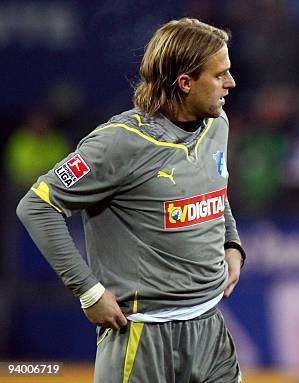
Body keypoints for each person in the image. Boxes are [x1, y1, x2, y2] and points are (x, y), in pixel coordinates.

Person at [16, 18, 244, 383]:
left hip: (210, 331)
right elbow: (36, 205)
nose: (231, 84)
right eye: (220, 76)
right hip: (141, 336)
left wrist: (231, 241)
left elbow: (215, 184)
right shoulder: (116, 144)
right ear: (185, 83)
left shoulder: (217, 123)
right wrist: (88, 291)